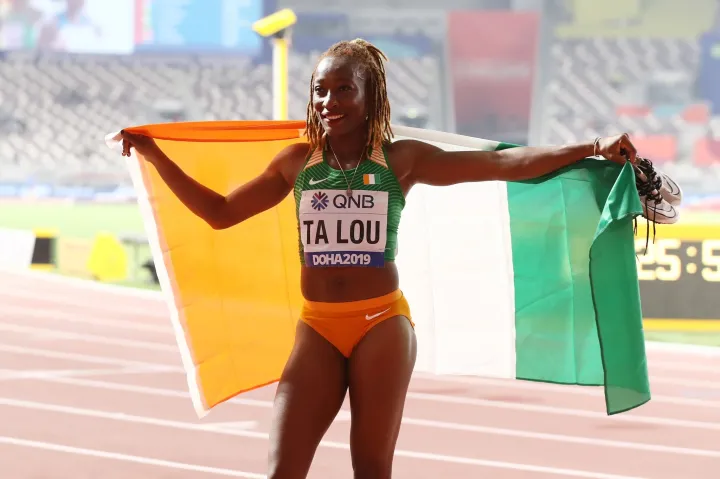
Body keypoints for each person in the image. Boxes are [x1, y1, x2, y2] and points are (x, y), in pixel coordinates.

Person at [120, 38, 638, 479]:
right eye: (320, 90)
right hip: (318, 326)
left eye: (343, 89)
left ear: (370, 97)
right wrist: (154, 154)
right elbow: (221, 212)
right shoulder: (298, 161)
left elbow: (503, 164)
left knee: (369, 468)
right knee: (283, 469)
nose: (328, 101)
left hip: (381, 324)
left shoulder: (400, 160)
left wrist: (591, 147)